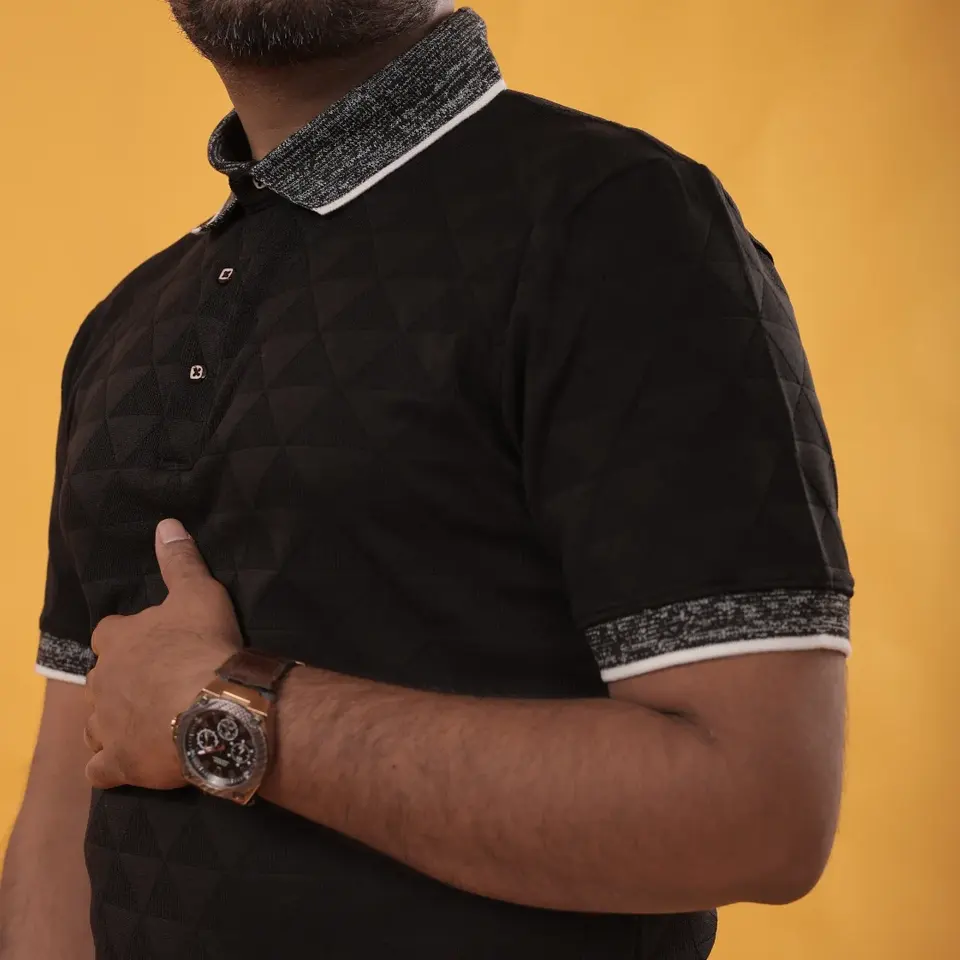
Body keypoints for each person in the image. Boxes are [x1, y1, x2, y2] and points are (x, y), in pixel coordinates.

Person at [0, 3, 855, 958]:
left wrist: (224, 710)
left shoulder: (620, 223)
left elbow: (758, 811)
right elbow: (70, 792)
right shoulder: (124, 326)